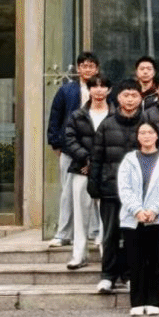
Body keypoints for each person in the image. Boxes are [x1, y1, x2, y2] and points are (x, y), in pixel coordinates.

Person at [87, 81, 144, 294]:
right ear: (118, 98)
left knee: (133, 236)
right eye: (125, 95)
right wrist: (94, 185)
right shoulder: (107, 124)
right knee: (110, 235)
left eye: (134, 95)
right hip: (110, 188)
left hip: (137, 192)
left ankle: (130, 275)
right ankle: (108, 276)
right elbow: (96, 157)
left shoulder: (146, 124)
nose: (129, 99)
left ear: (140, 98)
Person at [117, 121, 159, 317]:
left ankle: (153, 301)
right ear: (137, 137)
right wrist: (137, 210)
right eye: (142, 133)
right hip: (133, 219)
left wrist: (154, 210)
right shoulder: (129, 159)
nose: (146, 136)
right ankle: (137, 302)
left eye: (150, 132)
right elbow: (124, 188)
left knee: (156, 262)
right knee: (136, 262)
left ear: (157, 135)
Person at [47, 51, 101, 248]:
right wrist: (55, 143)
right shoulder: (66, 90)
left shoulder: (102, 89)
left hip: (96, 149)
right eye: (84, 66)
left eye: (91, 66)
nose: (87, 69)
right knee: (68, 192)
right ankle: (64, 233)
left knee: (96, 191)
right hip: (70, 148)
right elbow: (55, 117)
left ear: (97, 69)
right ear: (78, 69)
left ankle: (95, 231)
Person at [60, 74, 111, 270]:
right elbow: (70, 140)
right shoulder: (77, 115)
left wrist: (97, 163)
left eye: (102, 86)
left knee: (107, 216)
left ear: (109, 90)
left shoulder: (114, 115)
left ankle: (107, 256)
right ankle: (79, 255)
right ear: (89, 90)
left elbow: (117, 142)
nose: (99, 90)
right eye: (94, 86)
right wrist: (87, 159)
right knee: (81, 215)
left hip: (106, 171)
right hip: (81, 169)